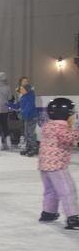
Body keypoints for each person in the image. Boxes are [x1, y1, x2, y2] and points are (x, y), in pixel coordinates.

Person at [37, 98, 79, 230]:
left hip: (45, 166)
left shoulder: (48, 125)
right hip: (57, 166)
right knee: (67, 190)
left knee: (51, 190)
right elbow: (69, 138)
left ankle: (48, 212)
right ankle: (73, 216)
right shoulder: (61, 127)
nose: (74, 118)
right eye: (72, 115)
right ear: (65, 114)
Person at [8, 84, 38, 156]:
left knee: (30, 134)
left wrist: (22, 112)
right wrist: (9, 104)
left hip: (31, 117)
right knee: (26, 134)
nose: (20, 90)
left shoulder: (30, 96)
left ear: (26, 90)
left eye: (22, 89)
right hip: (26, 118)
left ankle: (34, 148)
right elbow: (18, 105)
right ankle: (28, 147)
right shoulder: (23, 97)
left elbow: (28, 107)